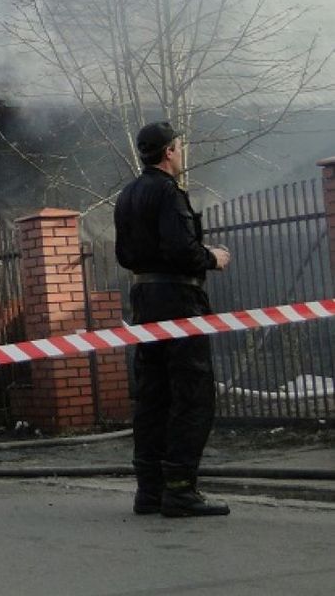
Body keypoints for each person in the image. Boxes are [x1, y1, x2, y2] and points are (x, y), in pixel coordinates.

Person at [114, 121, 232, 518]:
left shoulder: (128, 194)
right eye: (179, 146)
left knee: (153, 394)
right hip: (179, 300)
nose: (182, 152)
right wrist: (211, 257)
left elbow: (125, 255)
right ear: (168, 152)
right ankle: (180, 490)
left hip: (144, 299)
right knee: (192, 393)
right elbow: (182, 249)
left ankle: (150, 490)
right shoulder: (167, 193)